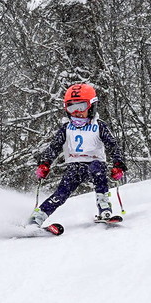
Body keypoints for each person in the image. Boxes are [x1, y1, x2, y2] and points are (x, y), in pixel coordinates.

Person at [31, 82, 127, 228]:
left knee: (97, 171)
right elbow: (54, 147)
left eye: (81, 107)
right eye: (71, 107)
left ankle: (104, 208)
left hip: (96, 163)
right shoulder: (67, 128)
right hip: (75, 167)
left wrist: (118, 164)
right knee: (61, 193)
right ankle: (37, 218)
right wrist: (45, 163)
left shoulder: (99, 126)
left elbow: (113, 146)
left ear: (91, 106)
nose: (76, 112)